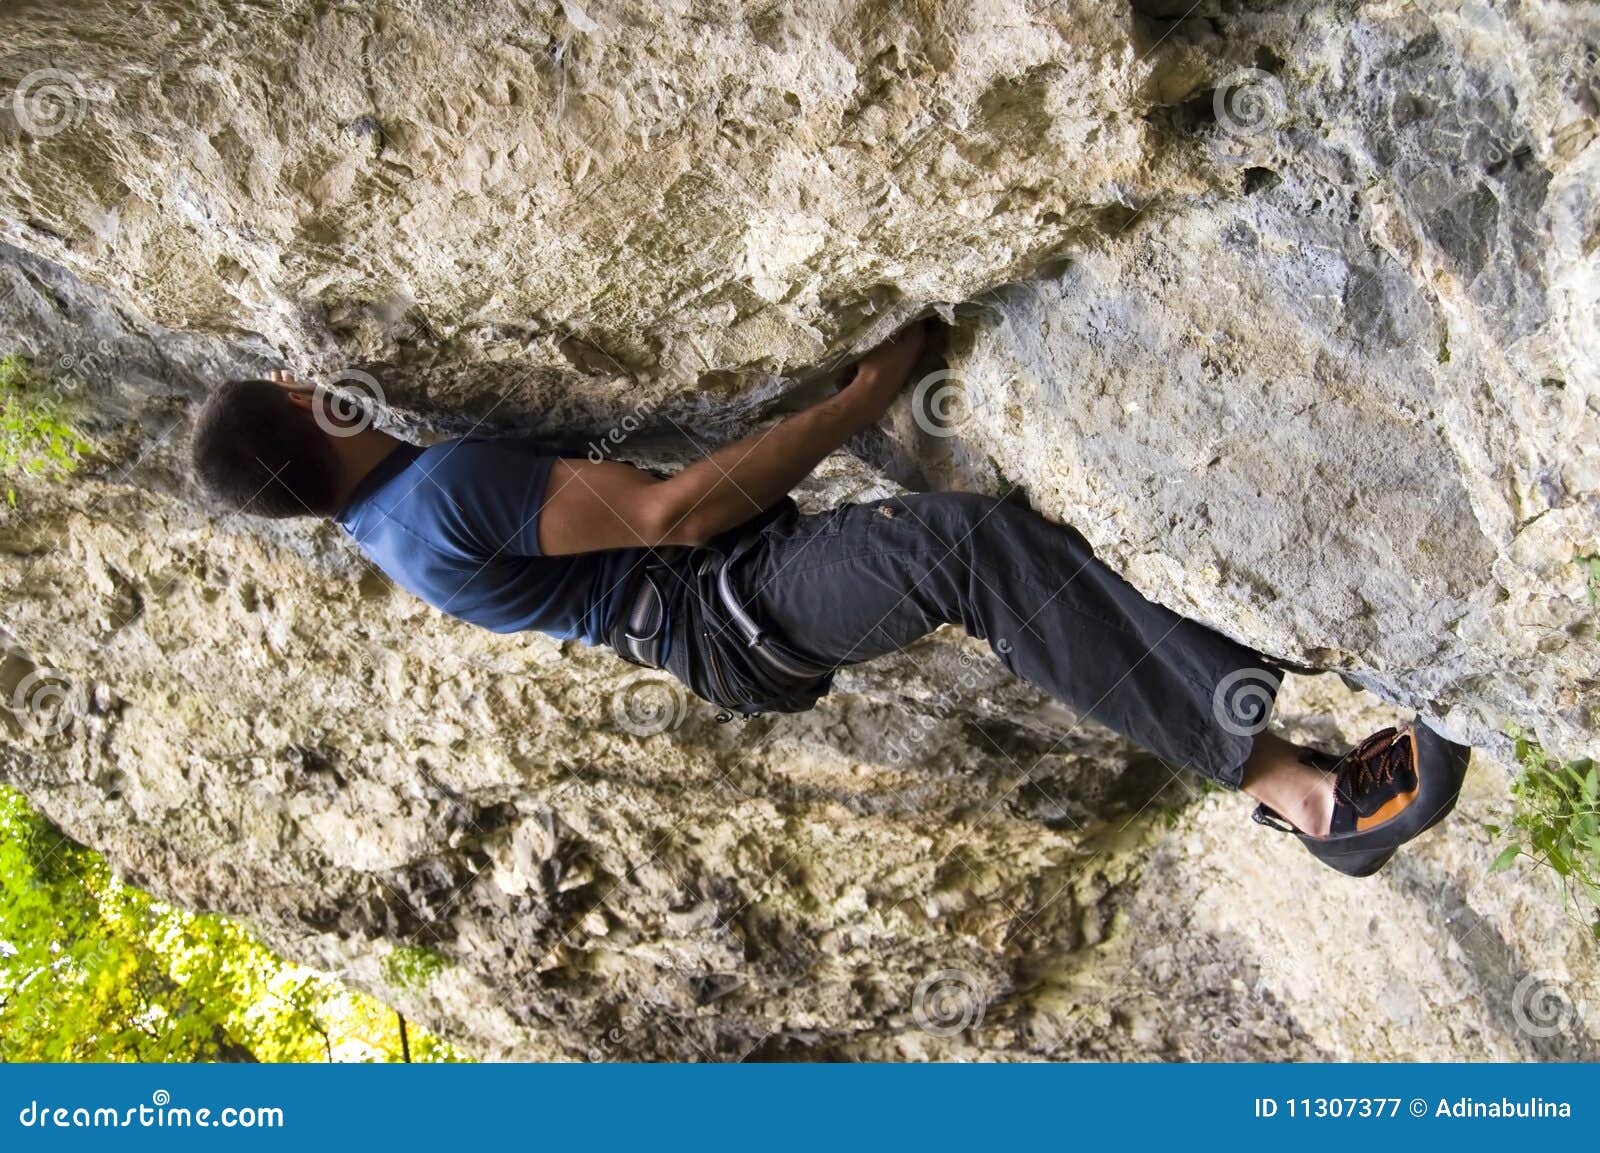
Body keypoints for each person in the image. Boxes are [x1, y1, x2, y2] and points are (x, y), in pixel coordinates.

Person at [189, 323, 1469, 877]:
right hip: (726, 603)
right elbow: (671, 514)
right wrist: (859, 403)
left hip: (714, 609)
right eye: (292, 385)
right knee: (962, 550)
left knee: (1000, 549)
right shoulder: (437, 494)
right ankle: (1302, 798)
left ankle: (1286, 737)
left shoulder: (392, 512)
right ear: (305, 420)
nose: (312, 376)